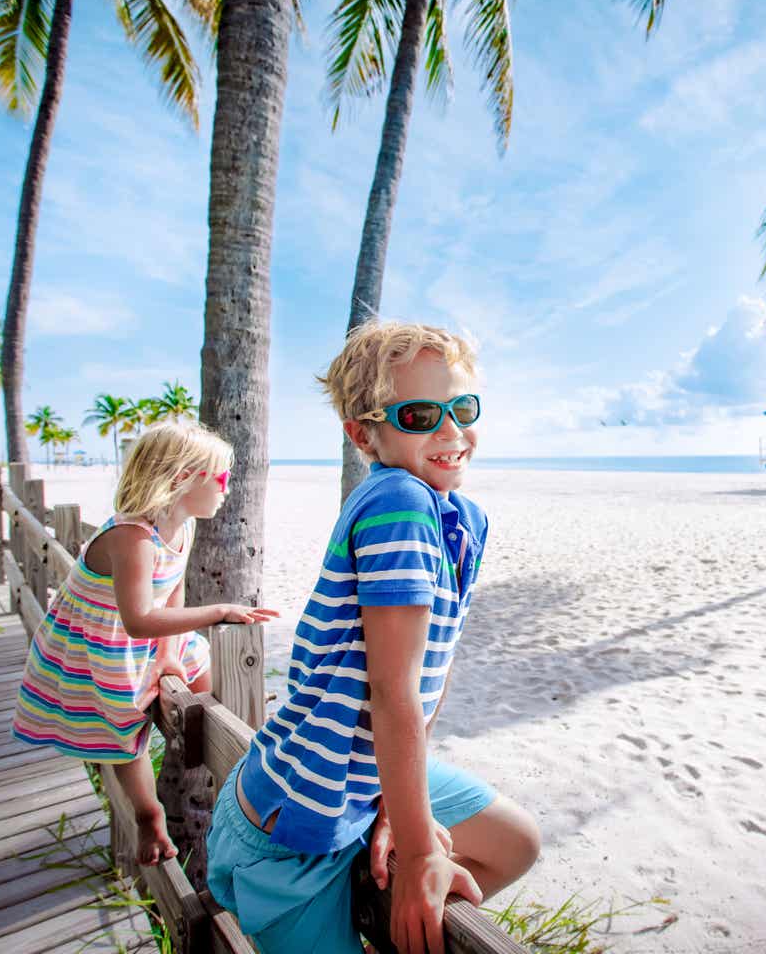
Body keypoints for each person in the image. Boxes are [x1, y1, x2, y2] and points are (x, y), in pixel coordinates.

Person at [206, 323, 540, 954]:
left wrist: (393, 806)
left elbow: (427, 675)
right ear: (363, 433)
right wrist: (417, 855)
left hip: (363, 784)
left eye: (462, 408)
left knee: (514, 840)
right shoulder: (398, 501)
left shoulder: (463, 519)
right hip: (295, 820)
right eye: (419, 414)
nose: (450, 431)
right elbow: (391, 691)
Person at [12, 419, 279, 866]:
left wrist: (169, 656)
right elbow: (137, 619)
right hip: (101, 640)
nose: (226, 489)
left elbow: (173, 590)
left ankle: (233, 747)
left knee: (213, 687)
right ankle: (148, 816)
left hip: (153, 634)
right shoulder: (132, 538)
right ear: (181, 479)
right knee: (123, 728)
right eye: (220, 478)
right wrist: (219, 611)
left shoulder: (183, 526)